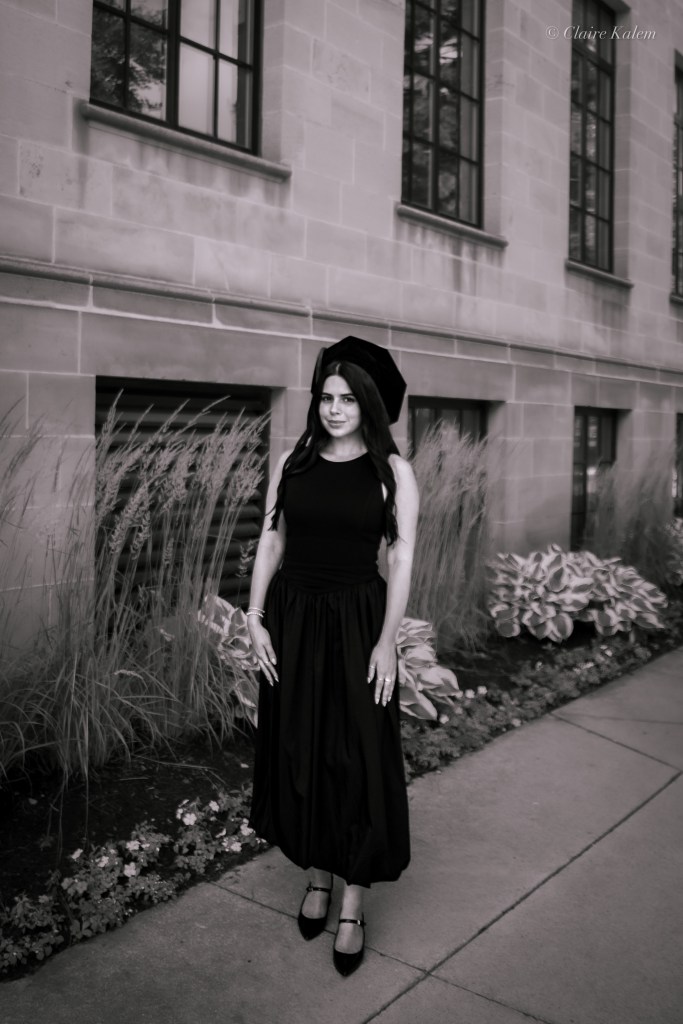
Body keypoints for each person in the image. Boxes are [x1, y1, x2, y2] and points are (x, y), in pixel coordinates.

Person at [246, 336, 419, 977]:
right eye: (326, 397)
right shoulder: (293, 461)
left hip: (357, 622)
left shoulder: (392, 472)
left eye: (348, 399)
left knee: (357, 756)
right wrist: (254, 616)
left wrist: (387, 640)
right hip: (293, 619)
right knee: (304, 748)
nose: (335, 409)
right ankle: (317, 876)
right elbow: (271, 541)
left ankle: (352, 902)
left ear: (368, 404)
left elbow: (401, 557)